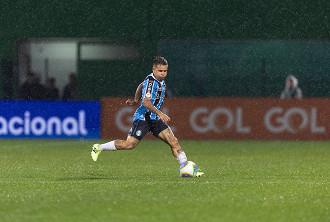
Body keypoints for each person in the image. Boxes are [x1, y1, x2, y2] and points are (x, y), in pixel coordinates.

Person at [91, 56, 203, 176]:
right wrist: (159, 113)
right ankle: (99, 147)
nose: (163, 74)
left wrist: (135, 99)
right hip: (143, 117)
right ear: (153, 70)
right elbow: (146, 103)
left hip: (154, 119)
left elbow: (140, 85)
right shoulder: (151, 82)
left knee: (173, 142)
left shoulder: (158, 80)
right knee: (129, 145)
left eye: (165, 71)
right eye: (160, 71)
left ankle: (187, 169)